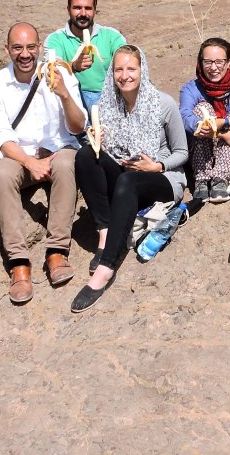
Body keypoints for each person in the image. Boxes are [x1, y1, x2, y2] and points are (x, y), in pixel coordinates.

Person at [71, 45, 189, 311]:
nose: (125, 76)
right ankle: (104, 233)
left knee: (128, 181)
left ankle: (105, 268)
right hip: (127, 174)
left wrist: (157, 166)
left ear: (142, 70)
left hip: (162, 178)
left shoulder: (163, 104)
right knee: (86, 155)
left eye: (131, 69)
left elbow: (182, 152)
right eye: (119, 70)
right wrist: (99, 140)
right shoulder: (109, 105)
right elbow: (110, 152)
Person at [0, 22, 87, 305]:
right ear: (7, 50)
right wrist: (29, 162)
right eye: (17, 48)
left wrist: (64, 93)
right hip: (20, 154)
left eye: (30, 47)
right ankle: (18, 263)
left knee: (66, 164)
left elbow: (77, 128)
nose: (24, 54)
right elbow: (1, 136)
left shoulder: (61, 73)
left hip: (58, 149)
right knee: (3, 173)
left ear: (39, 48)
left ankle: (56, 250)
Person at [179, 37, 230, 203]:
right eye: (207, 62)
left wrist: (224, 124)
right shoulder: (191, 88)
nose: (213, 67)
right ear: (200, 63)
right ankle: (202, 178)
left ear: (229, 62)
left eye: (219, 62)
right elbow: (185, 118)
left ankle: (219, 179)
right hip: (205, 142)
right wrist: (222, 134)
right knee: (202, 111)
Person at [45, 0, 126, 111]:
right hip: (71, 101)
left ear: (95, 10)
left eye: (88, 8)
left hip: (109, 99)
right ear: (68, 9)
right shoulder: (55, 39)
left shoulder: (112, 37)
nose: (83, 13)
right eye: (77, 8)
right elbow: (51, 72)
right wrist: (73, 66)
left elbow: (129, 62)